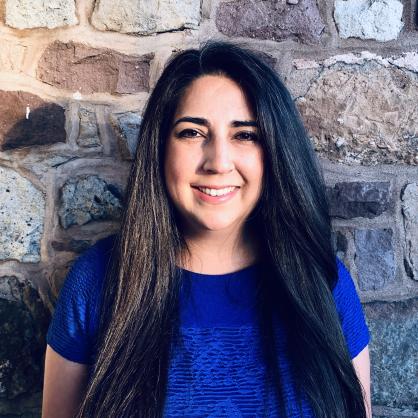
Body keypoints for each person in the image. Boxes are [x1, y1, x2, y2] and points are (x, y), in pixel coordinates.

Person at [42, 40, 372, 418]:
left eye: (245, 135)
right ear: (160, 147)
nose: (218, 162)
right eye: (192, 133)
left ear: (275, 153)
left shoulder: (325, 287)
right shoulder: (97, 282)